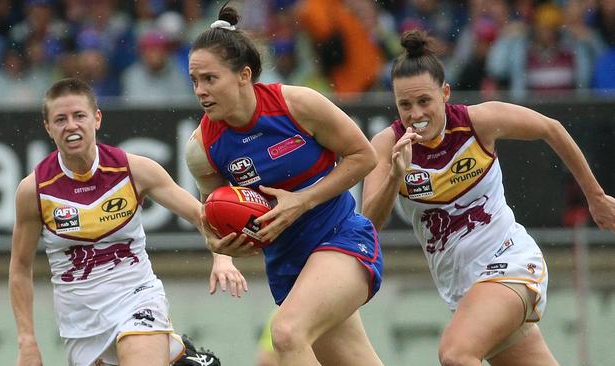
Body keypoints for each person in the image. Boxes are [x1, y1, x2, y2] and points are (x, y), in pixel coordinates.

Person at [362, 30, 615, 366]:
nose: (415, 113)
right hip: (465, 291)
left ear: (445, 93)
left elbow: (551, 128)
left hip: (509, 263)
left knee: (455, 353)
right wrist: (396, 175)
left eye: (424, 101)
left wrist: (595, 197)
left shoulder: (477, 122)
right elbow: (369, 225)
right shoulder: (386, 145)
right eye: (404, 105)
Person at [184, 5, 384, 366]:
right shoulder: (202, 148)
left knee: (286, 333)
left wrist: (302, 201)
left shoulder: (297, 104)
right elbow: (212, 212)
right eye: (195, 81)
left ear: (244, 75)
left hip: (340, 237)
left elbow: (363, 157)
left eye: (210, 79)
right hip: (287, 264)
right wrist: (220, 252)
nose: (201, 90)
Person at [8, 78, 243, 366]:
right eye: (60, 119)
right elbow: (20, 268)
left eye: (79, 116)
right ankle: (181, 356)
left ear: (96, 118)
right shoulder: (34, 190)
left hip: (137, 298)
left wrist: (222, 259)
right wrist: (27, 341)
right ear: (48, 128)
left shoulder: (134, 169)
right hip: (80, 324)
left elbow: (202, 215)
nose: (71, 125)